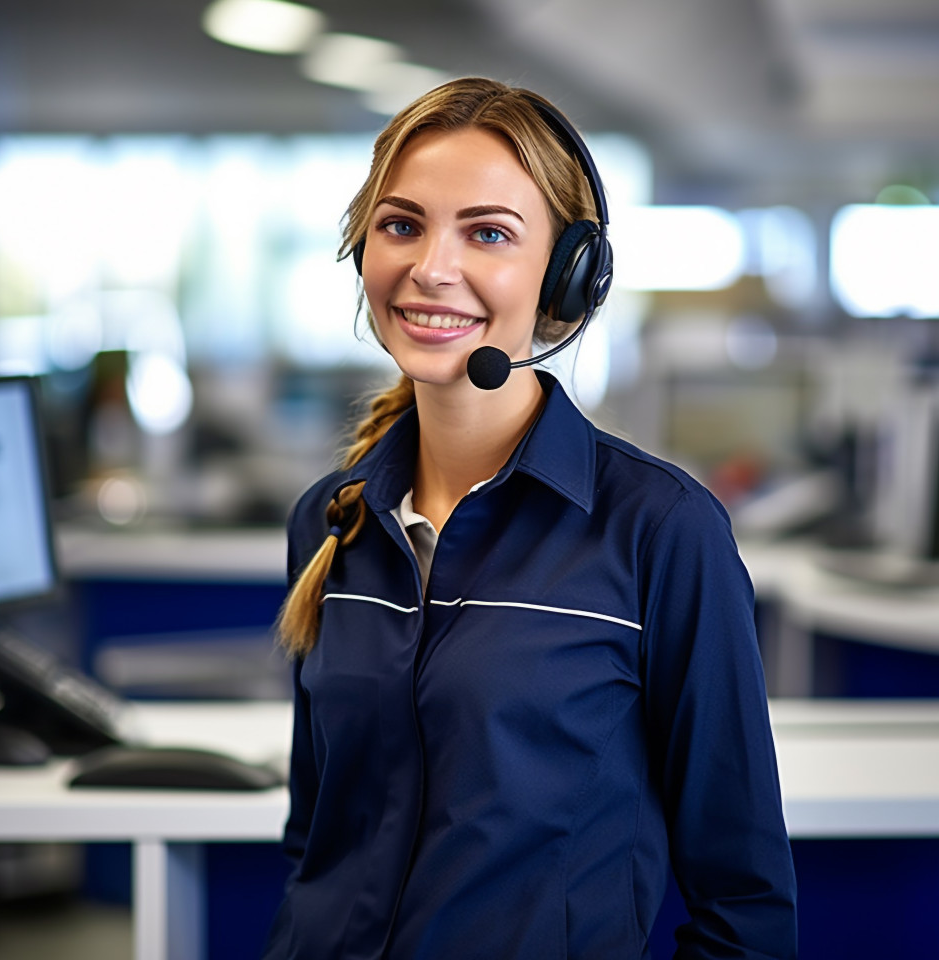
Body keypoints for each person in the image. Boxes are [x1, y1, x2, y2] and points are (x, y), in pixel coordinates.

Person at [262, 77, 797, 960]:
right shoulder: (331, 521)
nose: (432, 267)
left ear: (567, 274)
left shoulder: (660, 532)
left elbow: (745, 905)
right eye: (402, 224)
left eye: (488, 234)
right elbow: (314, 842)